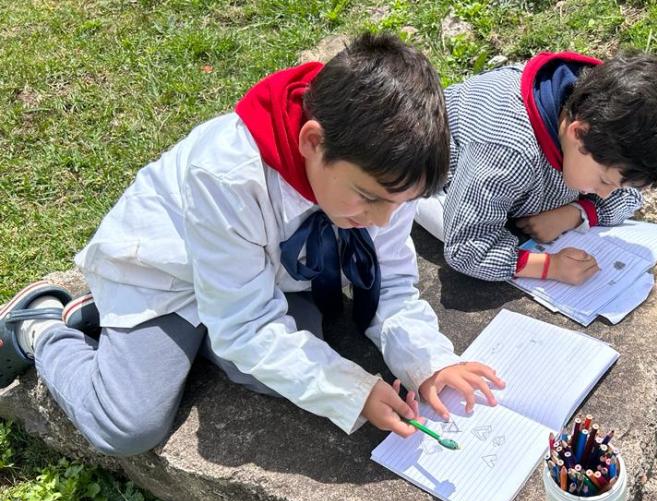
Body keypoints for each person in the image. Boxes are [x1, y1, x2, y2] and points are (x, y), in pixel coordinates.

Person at [0, 32, 503, 457]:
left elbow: (390, 282)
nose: (382, 220)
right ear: (312, 141)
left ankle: (150, 333)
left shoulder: (386, 175)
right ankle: (44, 328)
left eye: (400, 205)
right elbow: (247, 326)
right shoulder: (226, 174)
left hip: (252, 280)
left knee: (303, 343)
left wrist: (430, 363)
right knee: (129, 426)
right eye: (369, 200)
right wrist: (353, 389)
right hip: (166, 276)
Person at [415, 50, 657, 284]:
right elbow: (467, 249)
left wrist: (576, 213)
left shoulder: (603, 122)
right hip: (431, 171)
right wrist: (549, 266)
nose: (605, 194)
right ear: (578, 133)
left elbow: (628, 196)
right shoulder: (511, 153)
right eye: (604, 182)